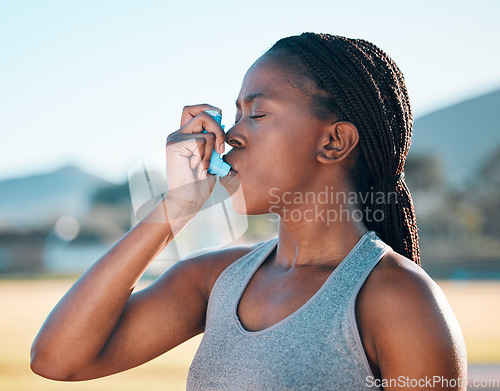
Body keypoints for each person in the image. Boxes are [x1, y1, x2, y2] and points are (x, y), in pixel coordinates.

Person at [30, 33, 467, 390]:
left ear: (334, 142)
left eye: (256, 113)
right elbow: (58, 359)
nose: (230, 136)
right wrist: (176, 207)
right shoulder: (214, 280)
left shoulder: (400, 301)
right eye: (235, 113)